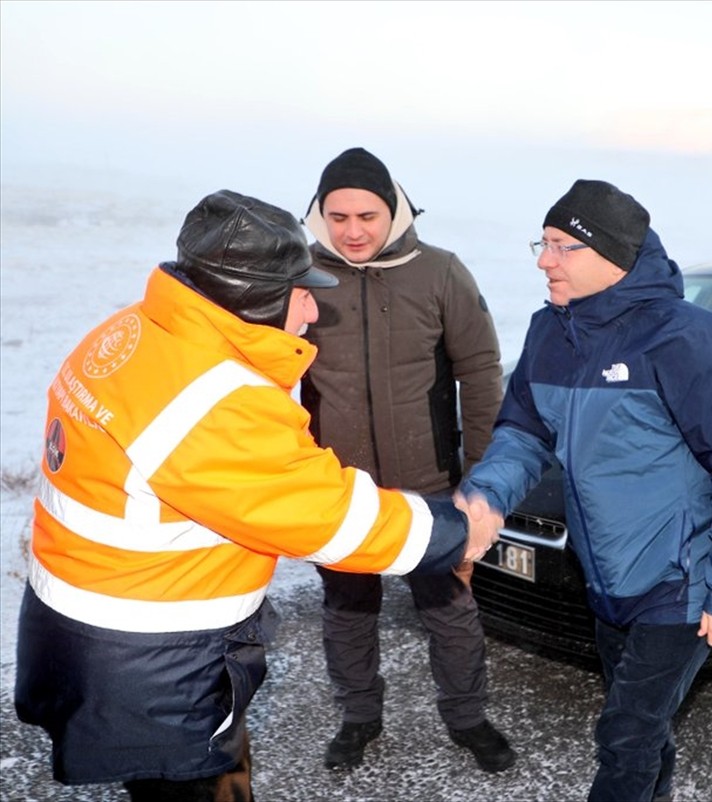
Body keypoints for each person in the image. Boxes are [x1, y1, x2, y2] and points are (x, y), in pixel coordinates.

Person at [13, 190, 499, 801]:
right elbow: (326, 517)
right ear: (255, 298)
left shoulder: (131, 331)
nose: (313, 310)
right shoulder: (217, 400)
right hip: (154, 656)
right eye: (301, 291)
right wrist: (456, 529)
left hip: (88, 619)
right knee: (186, 788)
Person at [458, 179, 712, 802]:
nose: (542, 260)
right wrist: (488, 495)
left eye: (562, 247)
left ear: (613, 257)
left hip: (681, 582)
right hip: (607, 574)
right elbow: (524, 433)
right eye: (543, 243)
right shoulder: (550, 333)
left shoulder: (687, 340)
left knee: (626, 734)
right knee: (644, 720)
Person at [298, 147, 512, 772]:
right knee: (346, 610)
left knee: (448, 609)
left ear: (393, 212)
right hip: (339, 489)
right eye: (338, 217)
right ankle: (358, 716)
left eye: (367, 214)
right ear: (320, 216)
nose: (353, 230)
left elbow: (479, 374)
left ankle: (469, 717)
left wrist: (481, 479)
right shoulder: (303, 277)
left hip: (428, 486)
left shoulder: (441, 273)